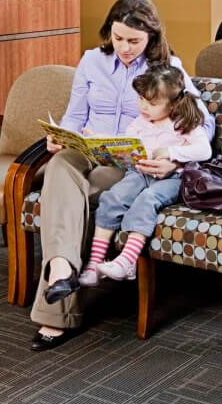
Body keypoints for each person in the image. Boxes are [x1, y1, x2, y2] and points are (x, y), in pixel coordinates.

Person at [30, 0, 212, 352]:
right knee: (60, 165)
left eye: (134, 41)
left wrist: (174, 159)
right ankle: (63, 267)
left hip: (127, 168)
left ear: (152, 37)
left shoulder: (167, 68)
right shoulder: (90, 62)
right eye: (117, 38)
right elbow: (75, 116)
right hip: (88, 151)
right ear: (108, 33)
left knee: (66, 194)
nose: (125, 48)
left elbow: (202, 124)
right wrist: (59, 136)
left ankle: (56, 308)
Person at [79, 65, 212, 286]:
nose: (143, 107)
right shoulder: (140, 123)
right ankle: (95, 263)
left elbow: (204, 150)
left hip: (174, 178)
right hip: (140, 173)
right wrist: (103, 142)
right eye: (140, 99)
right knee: (113, 198)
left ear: (173, 103)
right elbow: (129, 146)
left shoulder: (182, 123)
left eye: (152, 103)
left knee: (146, 200)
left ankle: (127, 261)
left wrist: (172, 153)